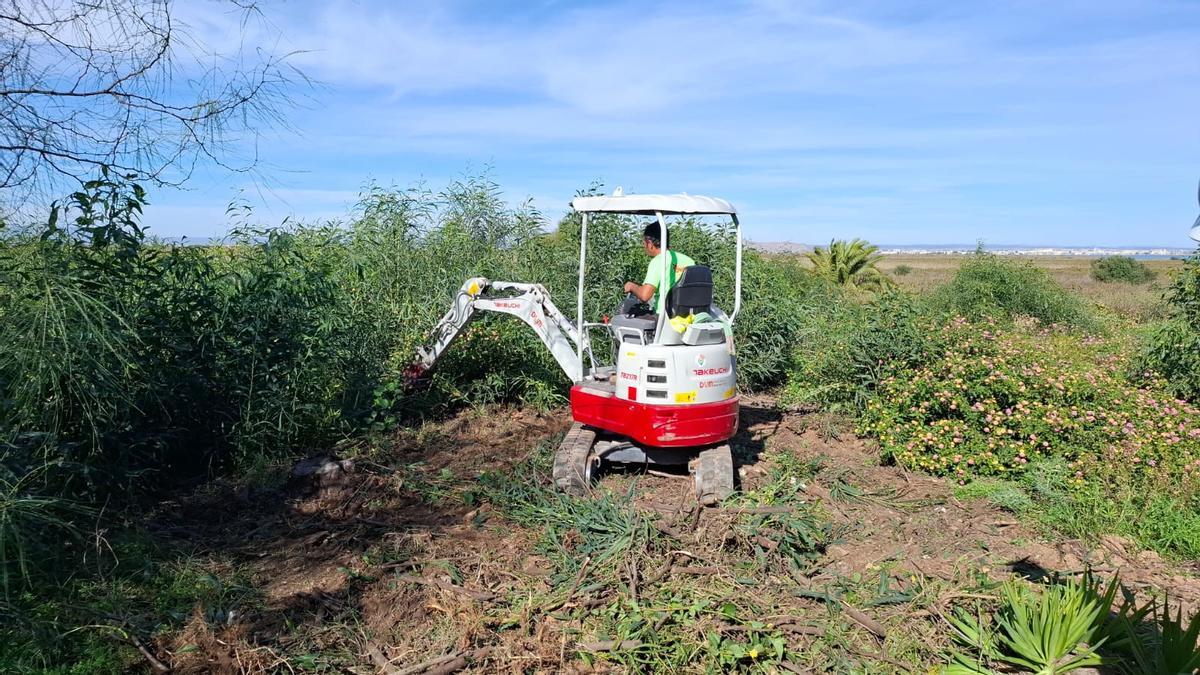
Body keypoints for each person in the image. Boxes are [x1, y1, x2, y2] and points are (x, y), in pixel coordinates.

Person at [623, 221, 695, 316]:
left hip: (664, 318)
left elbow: (645, 295)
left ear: (649, 244)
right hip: (687, 317)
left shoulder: (658, 261)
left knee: (623, 321)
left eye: (644, 243)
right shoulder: (689, 260)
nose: (644, 246)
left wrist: (632, 286)